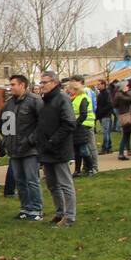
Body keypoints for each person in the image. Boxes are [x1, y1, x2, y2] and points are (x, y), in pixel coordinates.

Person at [35, 71, 76, 226]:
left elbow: (69, 123)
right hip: (47, 148)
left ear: (54, 82)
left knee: (65, 183)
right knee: (52, 184)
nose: (41, 85)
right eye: (41, 82)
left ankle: (70, 216)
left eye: (44, 82)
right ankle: (60, 213)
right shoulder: (45, 100)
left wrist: (53, 141)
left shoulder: (62, 99)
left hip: (59, 148)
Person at [7, 75, 44, 221]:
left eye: (13, 84)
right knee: (20, 180)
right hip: (14, 149)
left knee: (32, 180)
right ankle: (25, 208)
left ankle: (36, 209)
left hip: (30, 149)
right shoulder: (9, 103)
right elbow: (3, 122)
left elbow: (43, 123)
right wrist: (7, 141)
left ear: (22, 85)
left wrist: (31, 140)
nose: (11, 87)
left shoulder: (35, 101)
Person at [67, 77, 98, 177]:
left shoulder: (83, 97)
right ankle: (78, 170)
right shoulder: (74, 98)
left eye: (70, 89)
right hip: (78, 126)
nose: (68, 91)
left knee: (84, 148)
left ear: (74, 89)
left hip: (83, 125)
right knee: (77, 149)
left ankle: (91, 168)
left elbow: (83, 114)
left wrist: (75, 123)